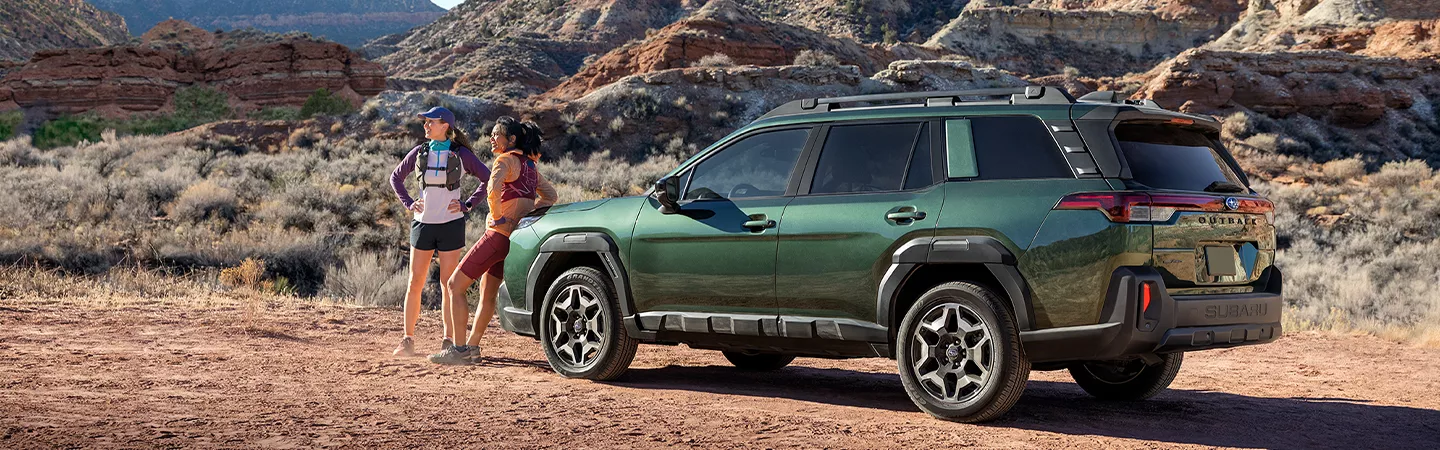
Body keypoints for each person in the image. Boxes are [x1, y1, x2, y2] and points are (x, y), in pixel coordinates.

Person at [429, 116, 556, 364]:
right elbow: (551, 195)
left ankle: (459, 349)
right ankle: (473, 347)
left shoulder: (504, 160)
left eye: (497, 134)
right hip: (514, 241)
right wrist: (526, 216)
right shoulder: (530, 166)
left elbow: (492, 188)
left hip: (497, 236)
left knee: (455, 285)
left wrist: (497, 216)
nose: (492, 138)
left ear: (512, 139)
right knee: (488, 295)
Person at [388, 106, 490, 357]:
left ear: (445, 125)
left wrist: (467, 204)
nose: (425, 126)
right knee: (415, 282)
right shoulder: (419, 152)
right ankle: (407, 340)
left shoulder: (461, 154)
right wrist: (410, 203)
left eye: (430, 122)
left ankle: (447, 340)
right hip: (422, 223)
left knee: (448, 285)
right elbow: (395, 178)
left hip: (451, 224)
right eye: (425, 122)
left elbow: (488, 179)